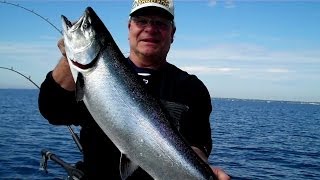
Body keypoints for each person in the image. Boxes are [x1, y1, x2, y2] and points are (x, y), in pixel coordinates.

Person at [38, 0, 230, 179]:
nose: (150, 29)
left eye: (160, 23)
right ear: (129, 28)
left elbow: (196, 143)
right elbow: (52, 111)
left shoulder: (191, 87)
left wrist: (202, 170)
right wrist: (69, 57)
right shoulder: (94, 76)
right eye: (141, 21)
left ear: (172, 33)